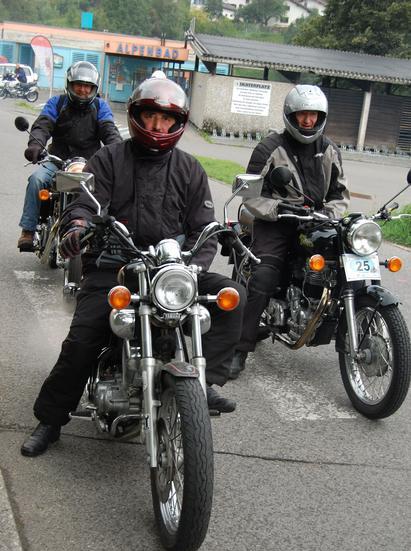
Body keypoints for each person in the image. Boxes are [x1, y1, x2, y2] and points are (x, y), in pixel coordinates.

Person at [21, 71, 246, 457]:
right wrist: (78, 227)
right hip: (116, 264)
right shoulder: (110, 158)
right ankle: (51, 420)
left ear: (177, 123)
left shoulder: (189, 168)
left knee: (232, 296)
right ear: (137, 116)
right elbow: (85, 204)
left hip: (170, 270)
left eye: (166, 118)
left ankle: (205, 382)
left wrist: (194, 265)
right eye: (150, 116)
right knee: (83, 339)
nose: (158, 125)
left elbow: (204, 227)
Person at [228, 84, 350, 379]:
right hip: (277, 222)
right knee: (264, 276)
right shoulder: (270, 148)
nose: (308, 121)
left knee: (343, 262)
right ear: (290, 116)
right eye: (302, 115)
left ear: (321, 117)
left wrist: (330, 213)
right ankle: (238, 350)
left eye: (313, 115)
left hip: (317, 220)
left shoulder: (329, 149)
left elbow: (340, 192)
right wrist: (278, 209)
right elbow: (249, 193)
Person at [17, 60, 122, 251]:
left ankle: (106, 237)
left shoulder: (100, 107)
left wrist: (118, 152)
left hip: (90, 164)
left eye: (88, 86)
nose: (83, 90)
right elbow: (43, 125)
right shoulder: (57, 103)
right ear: (69, 85)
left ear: (94, 88)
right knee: (36, 180)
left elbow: (110, 131)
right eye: (78, 85)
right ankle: (28, 230)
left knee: (110, 191)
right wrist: (35, 145)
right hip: (58, 160)